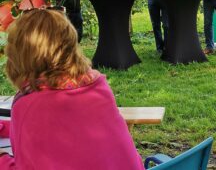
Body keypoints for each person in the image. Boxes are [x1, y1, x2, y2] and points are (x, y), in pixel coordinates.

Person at [0, 9, 144, 170]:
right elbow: (64, 130)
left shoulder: (28, 104)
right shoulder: (97, 85)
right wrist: (4, 127)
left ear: (19, 55)